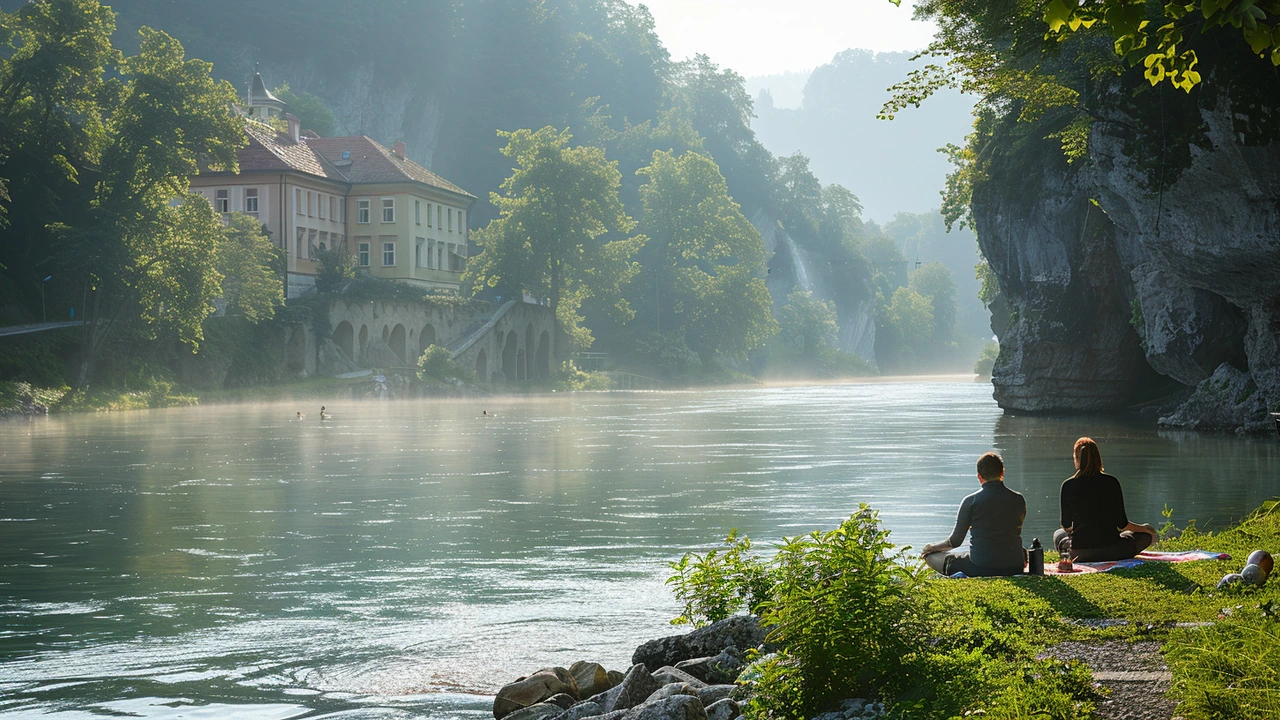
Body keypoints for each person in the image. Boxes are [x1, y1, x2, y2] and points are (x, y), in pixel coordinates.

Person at [922, 452, 1027, 577]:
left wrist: (931, 548)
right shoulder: (1018, 499)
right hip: (1015, 566)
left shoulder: (971, 501)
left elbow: (954, 542)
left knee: (931, 556)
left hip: (981, 568)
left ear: (979, 476)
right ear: (1002, 472)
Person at [1053, 437, 1156, 562]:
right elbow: (1123, 524)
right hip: (1112, 550)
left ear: (1077, 459)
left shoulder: (1068, 485)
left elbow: (1066, 525)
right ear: (1098, 458)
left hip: (1079, 553)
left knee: (1058, 534)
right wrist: (1145, 528)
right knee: (1143, 537)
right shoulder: (1112, 483)